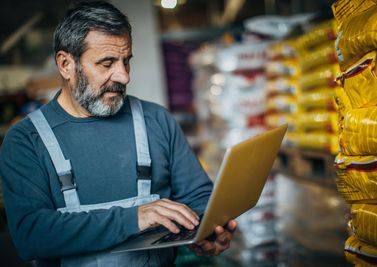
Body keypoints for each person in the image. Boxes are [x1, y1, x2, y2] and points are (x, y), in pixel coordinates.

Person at [0, 1, 236, 266]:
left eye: (126, 61)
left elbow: (200, 198)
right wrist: (134, 218)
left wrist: (209, 231)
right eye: (107, 63)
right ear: (66, 64)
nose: (123, 76)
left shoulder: (156, 120)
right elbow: (31, 235)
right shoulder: (25, 141)